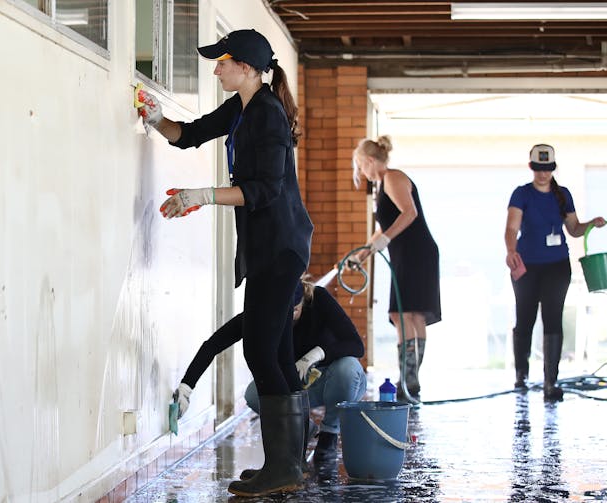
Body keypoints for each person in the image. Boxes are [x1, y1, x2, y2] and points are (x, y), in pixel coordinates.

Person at [138, 29, 313, 497]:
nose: (216, 69)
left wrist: (202, 196)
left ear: (249, 68)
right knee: (274, 352)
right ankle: (288, 464)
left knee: (259, 350)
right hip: (264, 249)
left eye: (223, 62)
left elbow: (266, 190)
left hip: (280, 248)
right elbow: (189, 135)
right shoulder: (242, 108)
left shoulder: (270, 117)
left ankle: (285, 466)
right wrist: (156, 118)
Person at [173, 277, 366, 472]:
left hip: (334, 379)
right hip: (298, 384)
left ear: (303, 302)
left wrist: (316, 354)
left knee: (348, 369)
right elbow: (214, 343)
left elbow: (356, 345)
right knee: (253, 394)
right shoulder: (264, 312)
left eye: (295, 311)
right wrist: (186, 387)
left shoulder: (319, 299)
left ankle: (329, 433)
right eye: (284, 313)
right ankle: (303, 428)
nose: (289, 318)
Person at [505, 144, 605, 402]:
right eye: (538, 169)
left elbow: (573, 229)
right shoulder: (521, 194)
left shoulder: (562, 195)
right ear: (531, 168)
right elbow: (511, 227)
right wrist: (511, 250)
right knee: (525, 318)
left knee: (553, 318)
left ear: (553, 169)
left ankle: (551, 381)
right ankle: (521, 375)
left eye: (547, 169)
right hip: (527, 266)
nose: (543, 174)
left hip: (557, 265)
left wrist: (590, 225)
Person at [347, 136, 441, 401]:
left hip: (417, 252)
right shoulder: (381, 186)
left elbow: (409, 213)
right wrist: (362, 255)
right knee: (407, 315)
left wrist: (385, 240)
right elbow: (383, 228)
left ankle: (409, 381)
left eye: (360, 166)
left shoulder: (393, 177)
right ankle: (410, 381)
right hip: (406, 253)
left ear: (369, 161)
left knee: (406, 314)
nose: (362, 173)